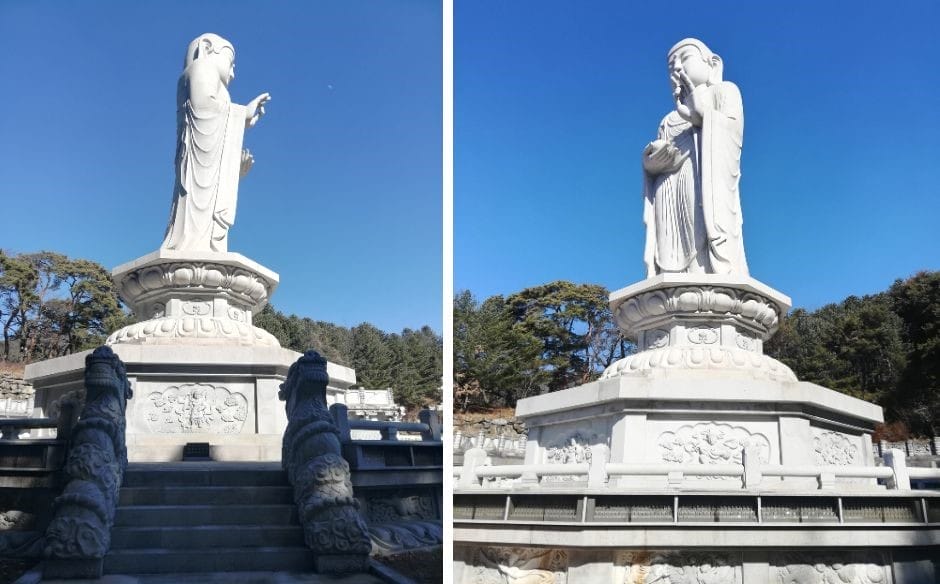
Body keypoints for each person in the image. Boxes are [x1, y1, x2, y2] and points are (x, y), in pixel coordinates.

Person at [642, 38, 748, 277]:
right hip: (667, 189)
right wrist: (651, 163)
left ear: (712, 64)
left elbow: (732, 134)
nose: (677, 68)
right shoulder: (668, 120)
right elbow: (657, 158)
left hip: (702, 182)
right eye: (671, 67)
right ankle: (670, 276)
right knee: (671, 242)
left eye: (685, 58)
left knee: (698, 229)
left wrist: (702, 115)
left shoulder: (724, 91)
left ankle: (705, 270)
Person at [162, 33, 271, 253]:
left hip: (203, 168)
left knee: (203, 214)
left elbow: (212, 128)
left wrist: (233, 170)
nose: (232, 73)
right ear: (206, 48)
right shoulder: (201, 67)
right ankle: (193, 247)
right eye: (230, 63)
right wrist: (243, 115)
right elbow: (204, 107)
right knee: (194, 213)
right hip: (196, 168)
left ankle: (201, 247)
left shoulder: (207, 78)